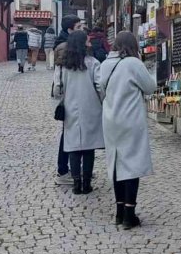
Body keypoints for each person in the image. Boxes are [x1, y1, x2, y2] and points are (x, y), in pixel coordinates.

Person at [98, 31, 157, 230]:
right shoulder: (133, 64)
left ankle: (119, 210)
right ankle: (129, 215)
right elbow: (150, 87)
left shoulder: (105, 64)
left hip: (110, 119)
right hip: (130, 119)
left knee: (116, 163)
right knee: (131, 164)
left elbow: (100, 90)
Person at [56, 31, 104, 195]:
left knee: (74, 147)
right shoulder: (93, 63)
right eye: (88, 41)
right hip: (90, 108)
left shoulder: (64, 66)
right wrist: (103, 101)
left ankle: (76, 184)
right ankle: (86, 183)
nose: (90, 43)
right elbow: (100, 86)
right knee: (88, 148)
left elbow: (57, 89)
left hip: (70, 109)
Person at [53, 14, 82, 186]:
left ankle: (72, 169)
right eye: (78, 27)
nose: (81, 30)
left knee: (71, 133)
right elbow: (59, 75)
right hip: (69, 97)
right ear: (70, 29)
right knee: (68, 134)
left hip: (71, 96)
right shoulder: (65, 46)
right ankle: (63, 170)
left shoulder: (68, 44)